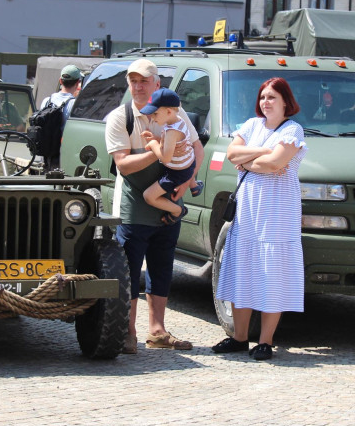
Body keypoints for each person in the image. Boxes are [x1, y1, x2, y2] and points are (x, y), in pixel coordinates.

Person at [105, 58, 204, 354]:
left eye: (144, 81)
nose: (137, 86)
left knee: (162, 267)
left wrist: (186, 182)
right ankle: (128, 332)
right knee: (131, 271)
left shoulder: (175, 112)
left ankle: (158, 331)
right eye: (133, 81)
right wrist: (158, 152)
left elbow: (197, 149)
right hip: (135, 203)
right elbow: (123, 164)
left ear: (157, 84)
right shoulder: (119, 117)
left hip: (168, 198)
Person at [213, 77, 306, 361]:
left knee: (271, 275)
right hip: (249, 210)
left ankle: (265, 340)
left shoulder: (293, 128)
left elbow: (277, 163)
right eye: (263, 97)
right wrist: (265, 152)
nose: (266, 102)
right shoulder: (251, 125)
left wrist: (249, 161)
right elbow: (231, 154)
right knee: (243, 270)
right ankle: (239, 337)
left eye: (272, 97)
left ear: (285, 101)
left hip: (277, 213)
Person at [138, 87, 201, 224]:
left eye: (155, 114)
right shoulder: (179, 121)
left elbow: (165, 158)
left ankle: (177, 210)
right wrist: (156, 137)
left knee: (148, 196)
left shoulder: (172, 131)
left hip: (177, 173)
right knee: (186, 160)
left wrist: (154, 144)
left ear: (168, 111)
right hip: (189, 162)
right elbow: (173, 143)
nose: (152, 119)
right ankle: (194, 185)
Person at [38, 64, 84, 168]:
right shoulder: (75, 104)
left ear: (60, 81)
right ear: (78, 83)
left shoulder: (46, 101)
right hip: (63, 154)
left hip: (45, 153)